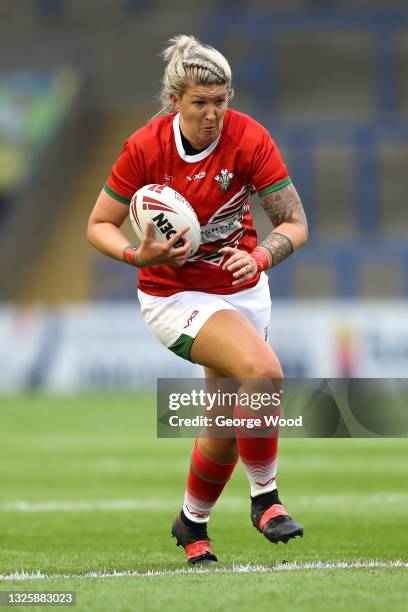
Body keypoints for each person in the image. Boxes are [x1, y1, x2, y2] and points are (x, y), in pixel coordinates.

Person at [87, 34, 308, 565]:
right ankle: (266, 499)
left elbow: (295, 223)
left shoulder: (250, 139)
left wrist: (260, 258)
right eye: (199, 103)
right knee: (263, 371)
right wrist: (138, 257)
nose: (213, 115)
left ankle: (192, 523)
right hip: (173, 293)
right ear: (175, 102)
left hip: (243, 288)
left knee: (226, 426)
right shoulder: (145, 148)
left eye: (221, 101)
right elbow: (98, 225)